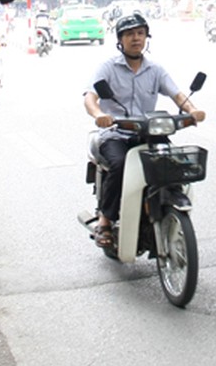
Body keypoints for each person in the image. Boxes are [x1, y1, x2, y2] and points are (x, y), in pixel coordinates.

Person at [83, 13, 206, 247]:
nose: (136, 38)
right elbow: (90, 97)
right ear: (120, 40)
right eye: (129, 34)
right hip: (117, 134)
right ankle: (105, 221)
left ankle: (167, 206)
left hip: (149, 132)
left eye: (140, 33)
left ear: (146, 37)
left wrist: (192, 110)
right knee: (119, 166)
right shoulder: (108, 68)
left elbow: (177, 94)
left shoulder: (155, 69)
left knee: (174, 165)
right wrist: (99, 115)